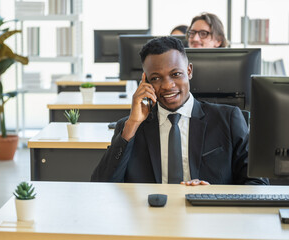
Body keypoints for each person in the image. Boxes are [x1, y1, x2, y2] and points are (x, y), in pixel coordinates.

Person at [91, 36, 268, 186]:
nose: (168, 85)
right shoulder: (130, 127)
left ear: (189, 71)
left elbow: (258, 183)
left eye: (176, 74)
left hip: (209, 220)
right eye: (156, 78)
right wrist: (132, 125)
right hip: (149, 220)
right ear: (145, 80)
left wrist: (216, 195)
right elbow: (101, 185)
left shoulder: (228, 119)